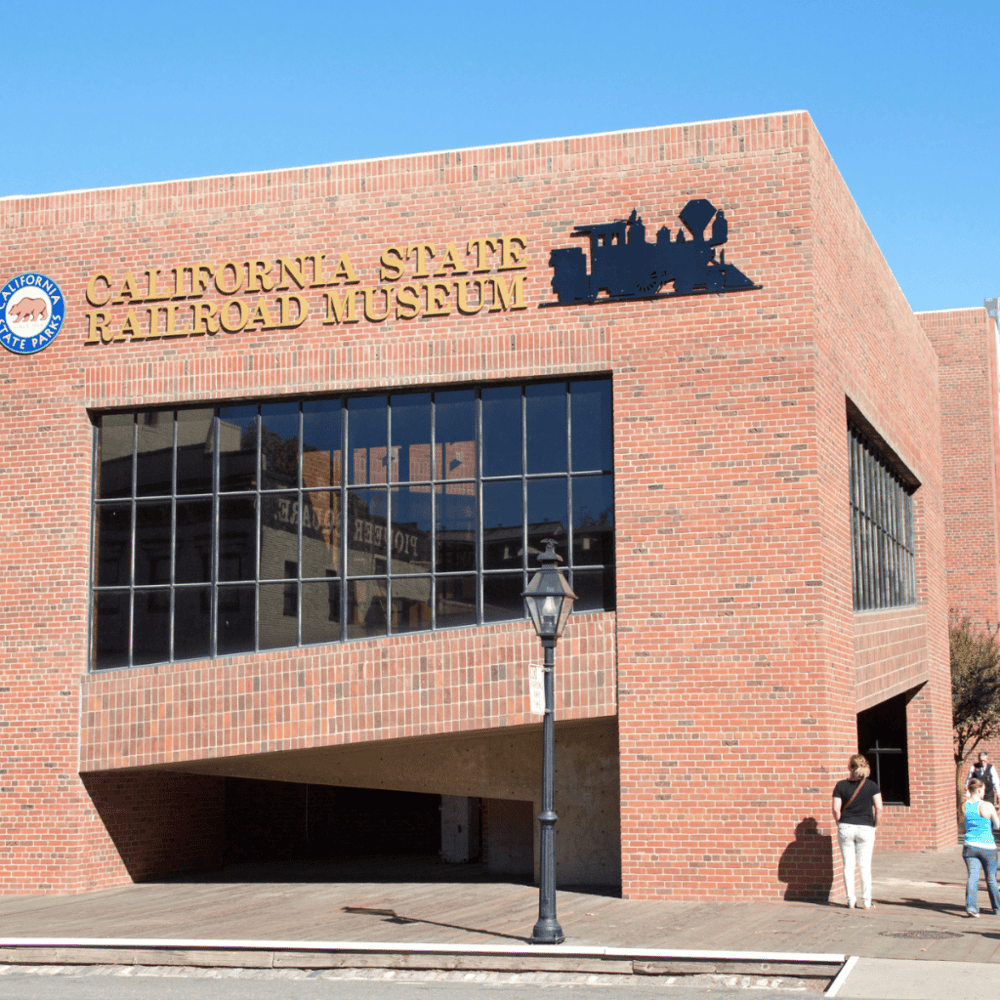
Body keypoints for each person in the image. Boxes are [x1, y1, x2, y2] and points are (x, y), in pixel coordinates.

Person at [832, 754, 883, 909]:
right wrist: (875, 825)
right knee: (864, 866)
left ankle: (850, 900)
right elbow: (879, 808)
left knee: (848, 866)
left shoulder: (840, 785)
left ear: (850, 767)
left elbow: (835, 808)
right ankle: (866, 901)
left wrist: (839, 822)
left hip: (846, 826)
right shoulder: (872, 785)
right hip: (865, 827)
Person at [963, 778, 1000, 917]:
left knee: (973, 877)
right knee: (991, 879)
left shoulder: (965, 805)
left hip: (970, 847)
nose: (984, 792)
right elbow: (998, 825)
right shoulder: (987, 805)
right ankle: (997, 908)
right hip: (988, 847)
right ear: (979, 790)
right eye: (983, 789)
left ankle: (971, 907)